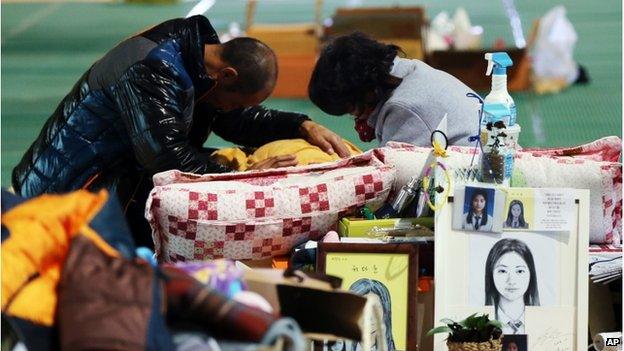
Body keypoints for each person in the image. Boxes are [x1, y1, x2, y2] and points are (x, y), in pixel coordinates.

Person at [10, 15, 348, 247]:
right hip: (58, 196)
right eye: (235, 102)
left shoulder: (200, 60)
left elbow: (236, 119)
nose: (230, 109)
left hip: (105, 183)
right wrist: (240, 172)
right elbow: (166, 159)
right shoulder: (152, 70)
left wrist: (301, 125)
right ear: (227, 76)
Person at [308, 32, 479, 147]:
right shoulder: (408, 70)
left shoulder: (402, 107)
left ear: (367, 91)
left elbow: (394, 181)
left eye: (352, 110)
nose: (356, 119)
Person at [485, 238, 540, 335]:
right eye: (502, 271)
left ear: (531, 274)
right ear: (491, 274)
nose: (511, 281)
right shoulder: (481, 325)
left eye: (519, 271)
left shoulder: (544, 322)